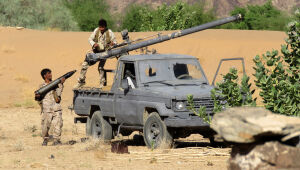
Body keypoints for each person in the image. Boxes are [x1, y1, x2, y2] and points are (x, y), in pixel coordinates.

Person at [75, 18, 117, 89]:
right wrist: (94, 44)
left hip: (105, 53)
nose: (101, 29)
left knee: (100, 68)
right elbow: (90, 39)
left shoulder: (109, 32)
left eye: (103, 27)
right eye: (100, 27)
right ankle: (81, 82)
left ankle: (102, 84)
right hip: (96, 52)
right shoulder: (96, 31)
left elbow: (115, 42)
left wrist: (113, 43)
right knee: (84, 65)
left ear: (105, 27)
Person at [35, 68, 65, 146]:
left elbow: (59, 94)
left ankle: (56, 140)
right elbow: (38, 98)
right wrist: (37, 96)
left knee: (58, 124)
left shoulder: (56, 85)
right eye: (49, 73)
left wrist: (61, 84)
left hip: (56, 108)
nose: (51, 74)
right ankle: (45, 139)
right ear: (45, 76)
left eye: (51, 73)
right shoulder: (41, 86)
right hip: (47, 109)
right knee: (45, 126)